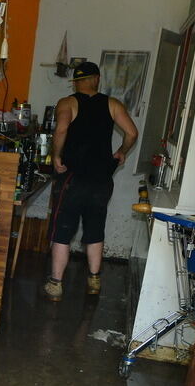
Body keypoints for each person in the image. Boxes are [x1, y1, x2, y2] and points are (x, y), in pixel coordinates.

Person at [45, 61, 138, 301]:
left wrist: (56, 156)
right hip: (101, 180)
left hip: (73, 178)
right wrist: (121, 152)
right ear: (96, 79)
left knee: (63, 231)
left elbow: (62, 129)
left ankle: (56, 284)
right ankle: (94, 280)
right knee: (95, 229)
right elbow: (132, 133)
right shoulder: (112, 104)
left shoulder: (68, 102)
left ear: (75, 82)